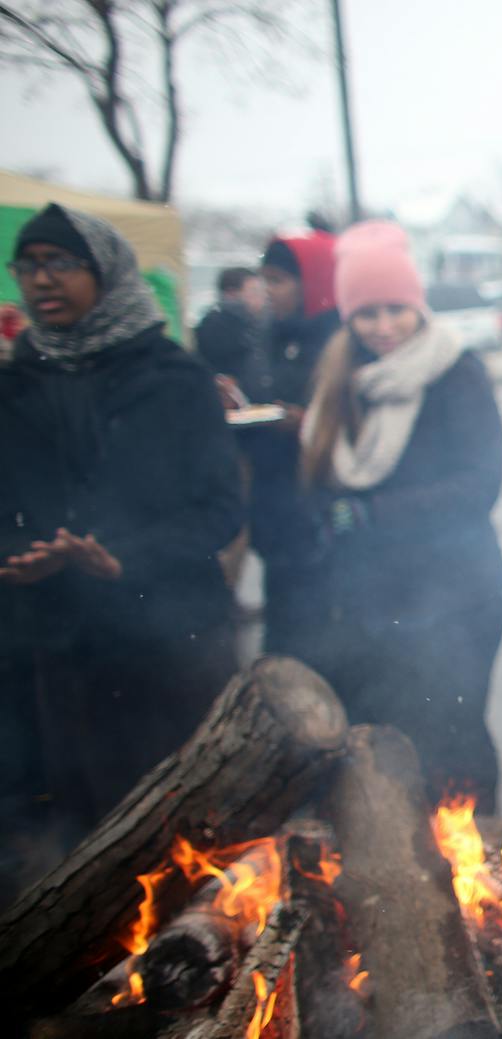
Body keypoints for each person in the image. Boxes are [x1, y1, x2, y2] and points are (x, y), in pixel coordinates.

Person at [0, 204, 243, 866]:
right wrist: (16, 557)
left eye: (61, 263)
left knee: (186, 837)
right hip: (56, 653)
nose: (43, 280)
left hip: (171, 647)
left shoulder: (172, 377)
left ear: (106, 272)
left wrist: (121, 559)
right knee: (82, 845)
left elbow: (221, 507)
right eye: (29, 266)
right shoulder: (14, 384)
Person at [300, 220, 502, 810]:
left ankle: (480, 861)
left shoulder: (455, 373)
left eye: (397, 309)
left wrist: (372, 514)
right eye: (368, 314)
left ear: (417, 304)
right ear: (348, 318)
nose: (384, 327)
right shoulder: (341, 383)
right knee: (390, 743)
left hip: (458, 598)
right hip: (373, 601)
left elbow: (478, 485)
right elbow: (319, 479)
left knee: (454, 738)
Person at [241, 229, 341, 661]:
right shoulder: (271, 335)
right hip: (275, 515)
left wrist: (306, 425)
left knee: (318, 650)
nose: (268, 289)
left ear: (313, 282)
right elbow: (261, 397)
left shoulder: (341, 342)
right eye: (264, 278)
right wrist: (240, 402)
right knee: (282, 648)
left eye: (278, 279)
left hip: (319, 523)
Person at [194, 266, 267, 384]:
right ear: (231, 294)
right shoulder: (215, 327)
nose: (263, 298)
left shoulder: (258, 323)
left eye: (262, 292)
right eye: (254, 292)